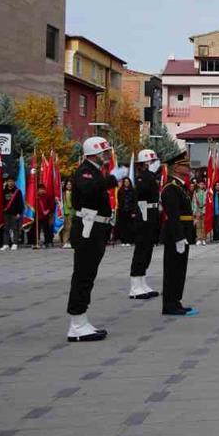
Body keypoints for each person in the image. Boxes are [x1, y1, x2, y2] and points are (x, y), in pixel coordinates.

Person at [66, 136, 128, 342]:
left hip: (96, 228)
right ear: (94, 153)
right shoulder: (85, 171)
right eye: (105, 152)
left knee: (88, 275)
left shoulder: (94, 172)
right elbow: (89, 188)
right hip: (87, 228)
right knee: (83, 275)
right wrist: (112, 179)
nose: (108, 155)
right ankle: (76, 323)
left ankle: (81, 320)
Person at [159, 152, 197, 316]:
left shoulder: (179, 186)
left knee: (180, 269)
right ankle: (169, 304)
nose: (188, 168)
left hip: (183, 232)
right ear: (176, 167)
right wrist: (179, 237)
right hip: (176, 234)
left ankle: (176, 301)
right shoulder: (170, 188)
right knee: (172, 269)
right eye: (185, 165)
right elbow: (173, 216)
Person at [128, 150, 161, 300]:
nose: (156, 164)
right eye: (152, 161)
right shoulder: (142, 177)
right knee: (141, 249)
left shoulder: (151, 176)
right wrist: (150, 174)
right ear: (145, 163)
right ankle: (135, 286)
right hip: (144, 215)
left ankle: (142, 282)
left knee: (148, 250)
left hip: (152, 214)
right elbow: (142, 191)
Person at [1, 177, 23, 251]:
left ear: (14, 182)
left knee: (15, 229)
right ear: (7, 182)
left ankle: (15, 243)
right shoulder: (4, 191)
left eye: (11, 181)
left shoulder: (17, 191)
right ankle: (6, 244)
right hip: (6, 213)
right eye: (9, 181)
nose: (10, 183)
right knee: (6, 229)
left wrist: (19, 212)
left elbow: (20, 203)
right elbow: (1, 202)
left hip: (14, 213)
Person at [36, 178, 56, 249]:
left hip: (46, 216)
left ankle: (47, 242)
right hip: (38, 216)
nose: (41, 190)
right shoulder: (36, 197)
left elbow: (52, 205)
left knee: (46, 230)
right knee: (37, 230)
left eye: (42, 189)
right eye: (40, 189)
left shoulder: (48, 196)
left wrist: (48, 210)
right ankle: (37, 242)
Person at [191, 178, 208, 246]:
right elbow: (193, 202)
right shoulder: (195, 192)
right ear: (198, 185)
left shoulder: (206, 192)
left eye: (202, 184)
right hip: (197, 210)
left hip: (204, 210)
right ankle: (198, 239)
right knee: (198, 226)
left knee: (204, 225)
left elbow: (208, 202)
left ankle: (204, 239)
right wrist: (194, 211)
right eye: (200, 184)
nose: (201, 185)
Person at [61, 179, 74, 248]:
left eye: (70, 184)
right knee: (67, 228)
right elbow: (69, 204)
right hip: (67, 212)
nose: (69, 186)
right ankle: (65, 241)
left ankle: (68, 241)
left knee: (70, 228)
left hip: (72, 212)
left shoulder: (72, 192)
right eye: (68, 184)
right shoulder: (65, 193)